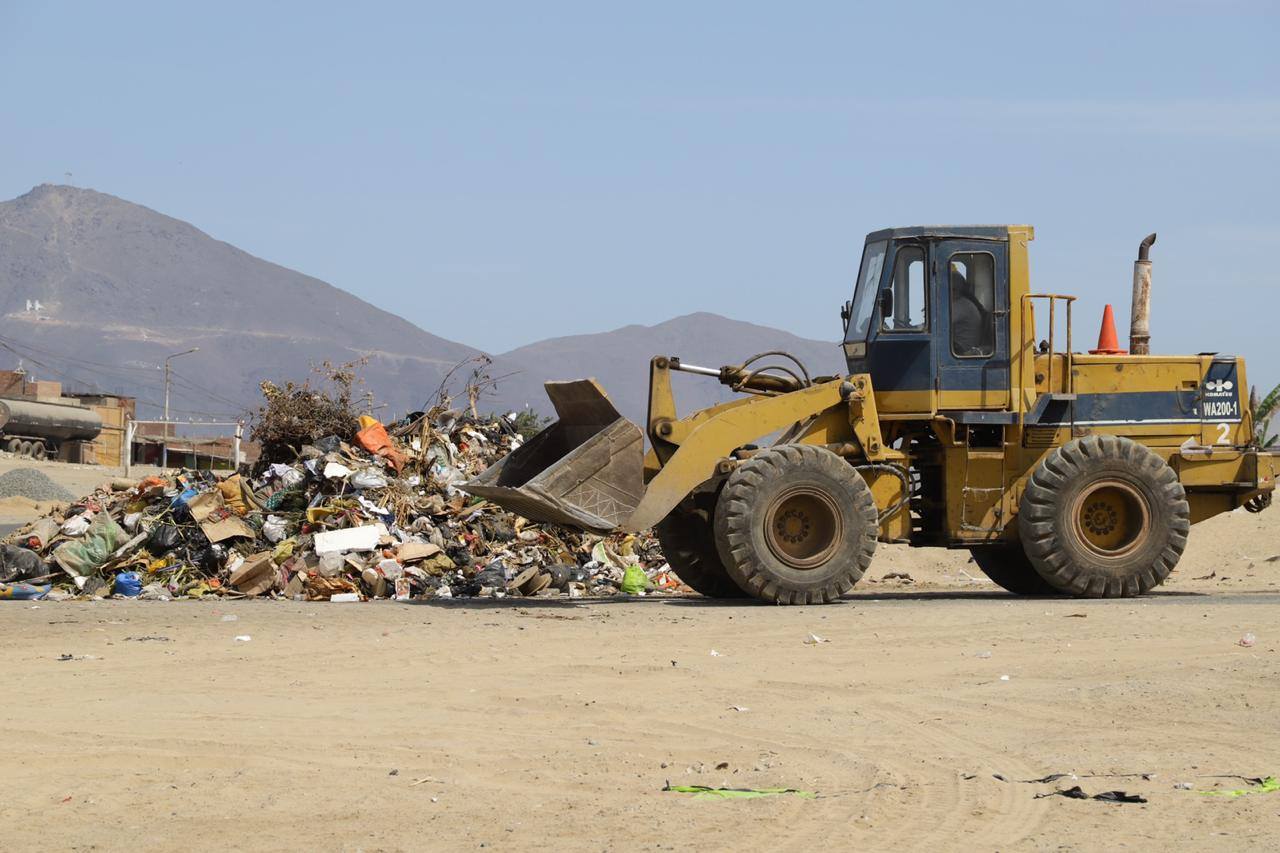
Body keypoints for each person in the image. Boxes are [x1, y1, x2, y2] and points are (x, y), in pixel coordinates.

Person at [950, 265, 991, 355]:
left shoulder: (961, 305)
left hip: (962, 348)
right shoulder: (962, 303)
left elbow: (940, 324)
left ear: (953, 289)